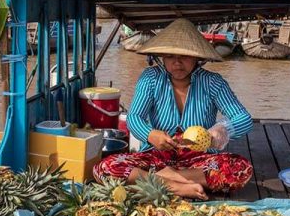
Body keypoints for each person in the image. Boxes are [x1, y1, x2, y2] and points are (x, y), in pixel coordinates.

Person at [93, 18, 254, 200]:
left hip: (198, 160)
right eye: (170, 56)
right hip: (156, 157)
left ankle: (162, 180)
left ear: (196, 56)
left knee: (241, 168)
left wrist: (221, 131)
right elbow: (134, 118)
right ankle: (174, 186)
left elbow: (244, 118)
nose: (177, 63)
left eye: (184, 56)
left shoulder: (213, 82)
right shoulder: (151, 78)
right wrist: (150, 134)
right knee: (105, 167)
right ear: (162, 56)